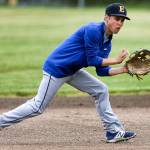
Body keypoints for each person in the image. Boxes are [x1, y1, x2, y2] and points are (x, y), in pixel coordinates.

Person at [0, 3, 136, 143]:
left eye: (122, 20)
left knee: (101, 90)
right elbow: (92, 59)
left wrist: (123, 70)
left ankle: (113, 132)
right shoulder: (93, 30)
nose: (120, 23)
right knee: (37, 107)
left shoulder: (107, 41)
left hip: (73, 70)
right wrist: (115, 60)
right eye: (116, 18)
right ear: (106, 18)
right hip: (56, 69)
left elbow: (101, 70)